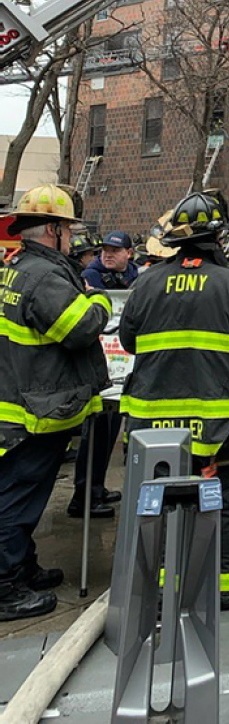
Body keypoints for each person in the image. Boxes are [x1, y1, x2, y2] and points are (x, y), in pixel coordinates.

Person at [119, 191, 229, 610]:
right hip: (220, 425)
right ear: (218, 238)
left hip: (153, 425)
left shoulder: (146, 282)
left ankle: (161, 587)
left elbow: (128, 341)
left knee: (157, 502)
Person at [0, 185, 111, 621]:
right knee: (17, 499)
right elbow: (81, 328)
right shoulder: (45, 277)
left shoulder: (15, 268)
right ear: (53, 230)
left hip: (18, 400)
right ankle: (6, 587)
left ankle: (22, 567)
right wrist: (97, 298)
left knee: (20, 495)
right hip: (34, 412)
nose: (73, 238)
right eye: (68, 229)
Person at [68, 232, 138, 519]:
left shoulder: (136, 277)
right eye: (104, 250)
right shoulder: (90, 277)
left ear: (129, 253)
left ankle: (96, 488)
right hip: (98, 367)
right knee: (94, 435)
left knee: (109, 433)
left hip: (122, 366)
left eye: (114, 250)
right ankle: (83, 497)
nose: (107, 255)